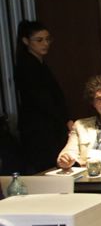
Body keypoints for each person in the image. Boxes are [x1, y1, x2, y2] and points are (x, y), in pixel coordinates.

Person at [12, 20, 69, 173]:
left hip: (45, 125)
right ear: (26, 41)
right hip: (39, 128)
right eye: (39, 40)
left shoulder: (38, 63)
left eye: (47, 39)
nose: (45, 44)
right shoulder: (27, 66)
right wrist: (64, 119)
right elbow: (42, 100)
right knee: (46, 168)